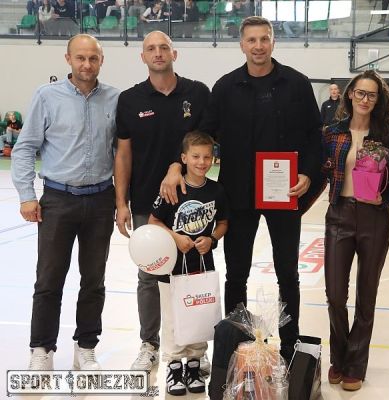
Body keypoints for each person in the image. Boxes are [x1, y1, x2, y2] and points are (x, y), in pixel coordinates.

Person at [185, 16, 322, 362]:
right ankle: (237, 345)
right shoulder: (225, 87)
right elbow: (205, 133)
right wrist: (182, 164)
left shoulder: (297, 84)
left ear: (273, 42)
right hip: (238, 194)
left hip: (284, 193)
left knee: (288, 273)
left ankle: (289, 344)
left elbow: (314, 136)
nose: (258, 46)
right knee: (236, 274)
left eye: (264, 39)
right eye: (252, 40)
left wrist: (307, 173)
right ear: (242, 45)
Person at [11, 34, 120, 371]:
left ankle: (86, 346)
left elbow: (122, 153)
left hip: (101, 200)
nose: (87, 64)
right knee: (48, 280)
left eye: (93, 58)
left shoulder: (115, 99)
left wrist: (122, 200)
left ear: (101, 60)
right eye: (80, 58)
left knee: (94, 280)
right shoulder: (47, 96)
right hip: (58, 200)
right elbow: (25, 148)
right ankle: (41, 349)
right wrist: (27, 196)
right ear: (68, 59)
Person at [114, 30, 211, 372]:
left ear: (174, 53)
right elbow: (123, 155)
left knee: (192, 273)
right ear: (142, 57)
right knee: (149, 276)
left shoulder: (197, 93)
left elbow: (205, 145)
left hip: (192, 202)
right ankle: (150, 344)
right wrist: (121, 202)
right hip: (146, 202)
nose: (158, 53)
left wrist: (176, 167)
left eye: (164, 47)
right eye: (151, 48)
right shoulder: (130, 100)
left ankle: (194, 347)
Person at [321, 71, 389, 392]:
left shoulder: (388, 135)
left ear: (378, 99)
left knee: (366, 296)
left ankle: (355, 366)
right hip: (338, 216)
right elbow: (318, 171)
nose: (365, 99)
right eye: (360, 93)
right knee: (335, 296)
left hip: (374, 218)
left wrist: (384, 198)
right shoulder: (331, 133)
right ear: (350, 94)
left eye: (371, 95)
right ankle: (339, 357)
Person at [149, 131, 228, 395]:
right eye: (195, 156)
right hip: (171, 269)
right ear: (183, 158)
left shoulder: (216, 190)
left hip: (201, 267)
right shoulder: (172, 189)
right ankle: (173, 367)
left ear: (213, 158)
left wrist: (212, 239)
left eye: (206, 157)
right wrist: (175, 237)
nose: (201, 162)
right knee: (172, 318)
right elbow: (153, 221)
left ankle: (194, 364)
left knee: (199, 315)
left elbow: (223, 223)